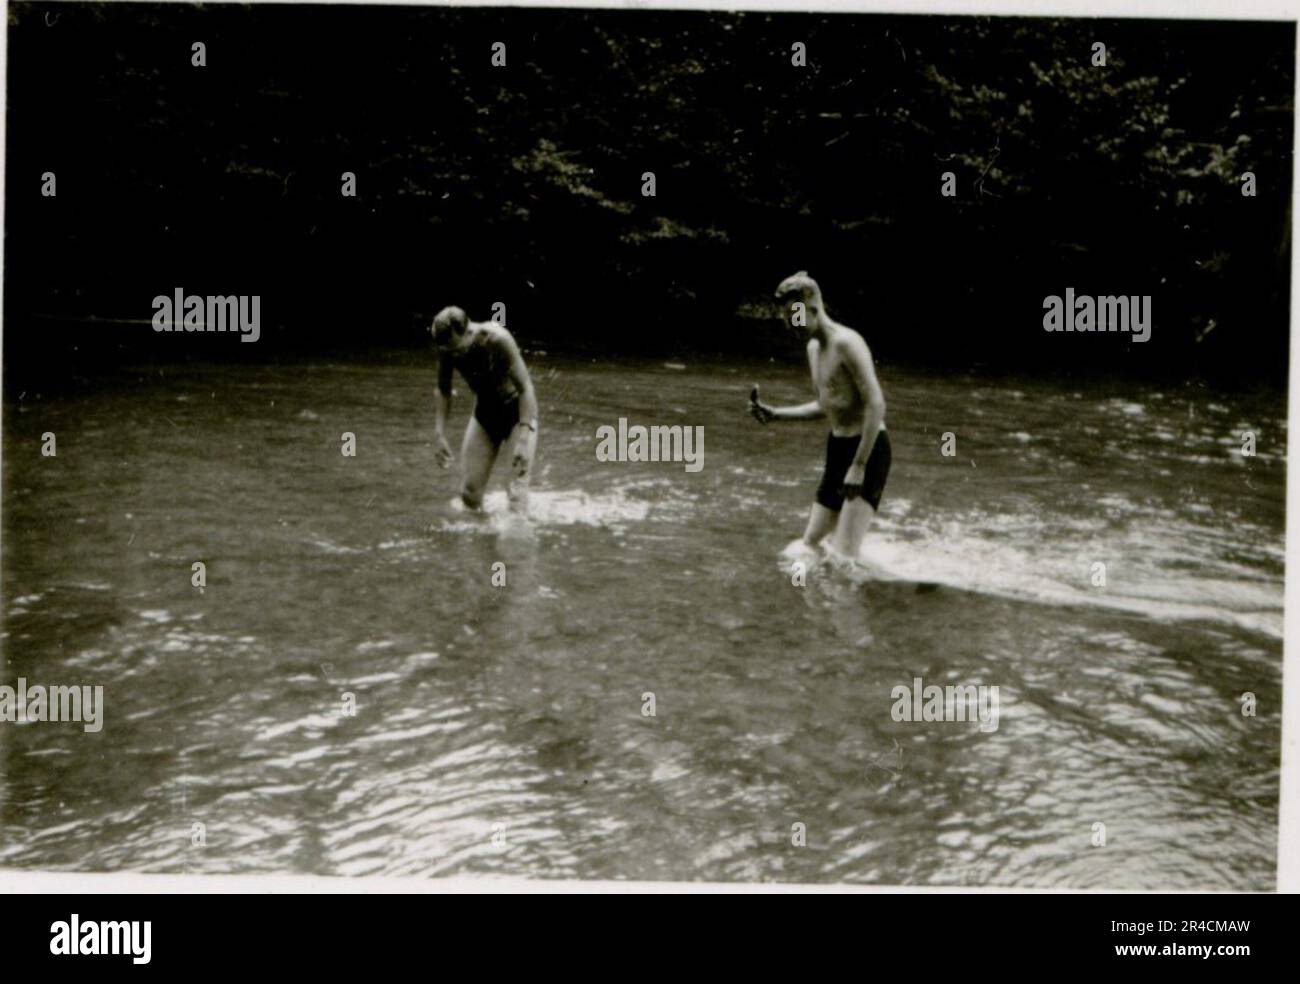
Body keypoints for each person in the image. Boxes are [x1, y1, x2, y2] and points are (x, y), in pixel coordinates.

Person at [749, 272, 890, 559]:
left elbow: (876, 404)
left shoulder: (847, 344)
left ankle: (872, 594)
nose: (790, 324)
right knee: (808, 547)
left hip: (868, 450)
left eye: (795, 315)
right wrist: (776, 414)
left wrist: (859, 466)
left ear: (813, 308)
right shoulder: (813, 348)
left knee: (844, 557)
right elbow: (826, 405)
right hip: (837, 449)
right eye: (787, 316)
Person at [431, 306, 538, 511]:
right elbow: (443, 390)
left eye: (457, 349)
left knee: (516, 494)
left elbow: (526, 389)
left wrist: (524, 438)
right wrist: (440, 433)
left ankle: (517, 539)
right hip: (486, 413)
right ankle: (480, 541)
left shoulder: (497, 339)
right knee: (469, 495)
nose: (454, 355)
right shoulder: (446, 348)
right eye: (449, 351)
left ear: (469, 332)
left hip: (517, 413)